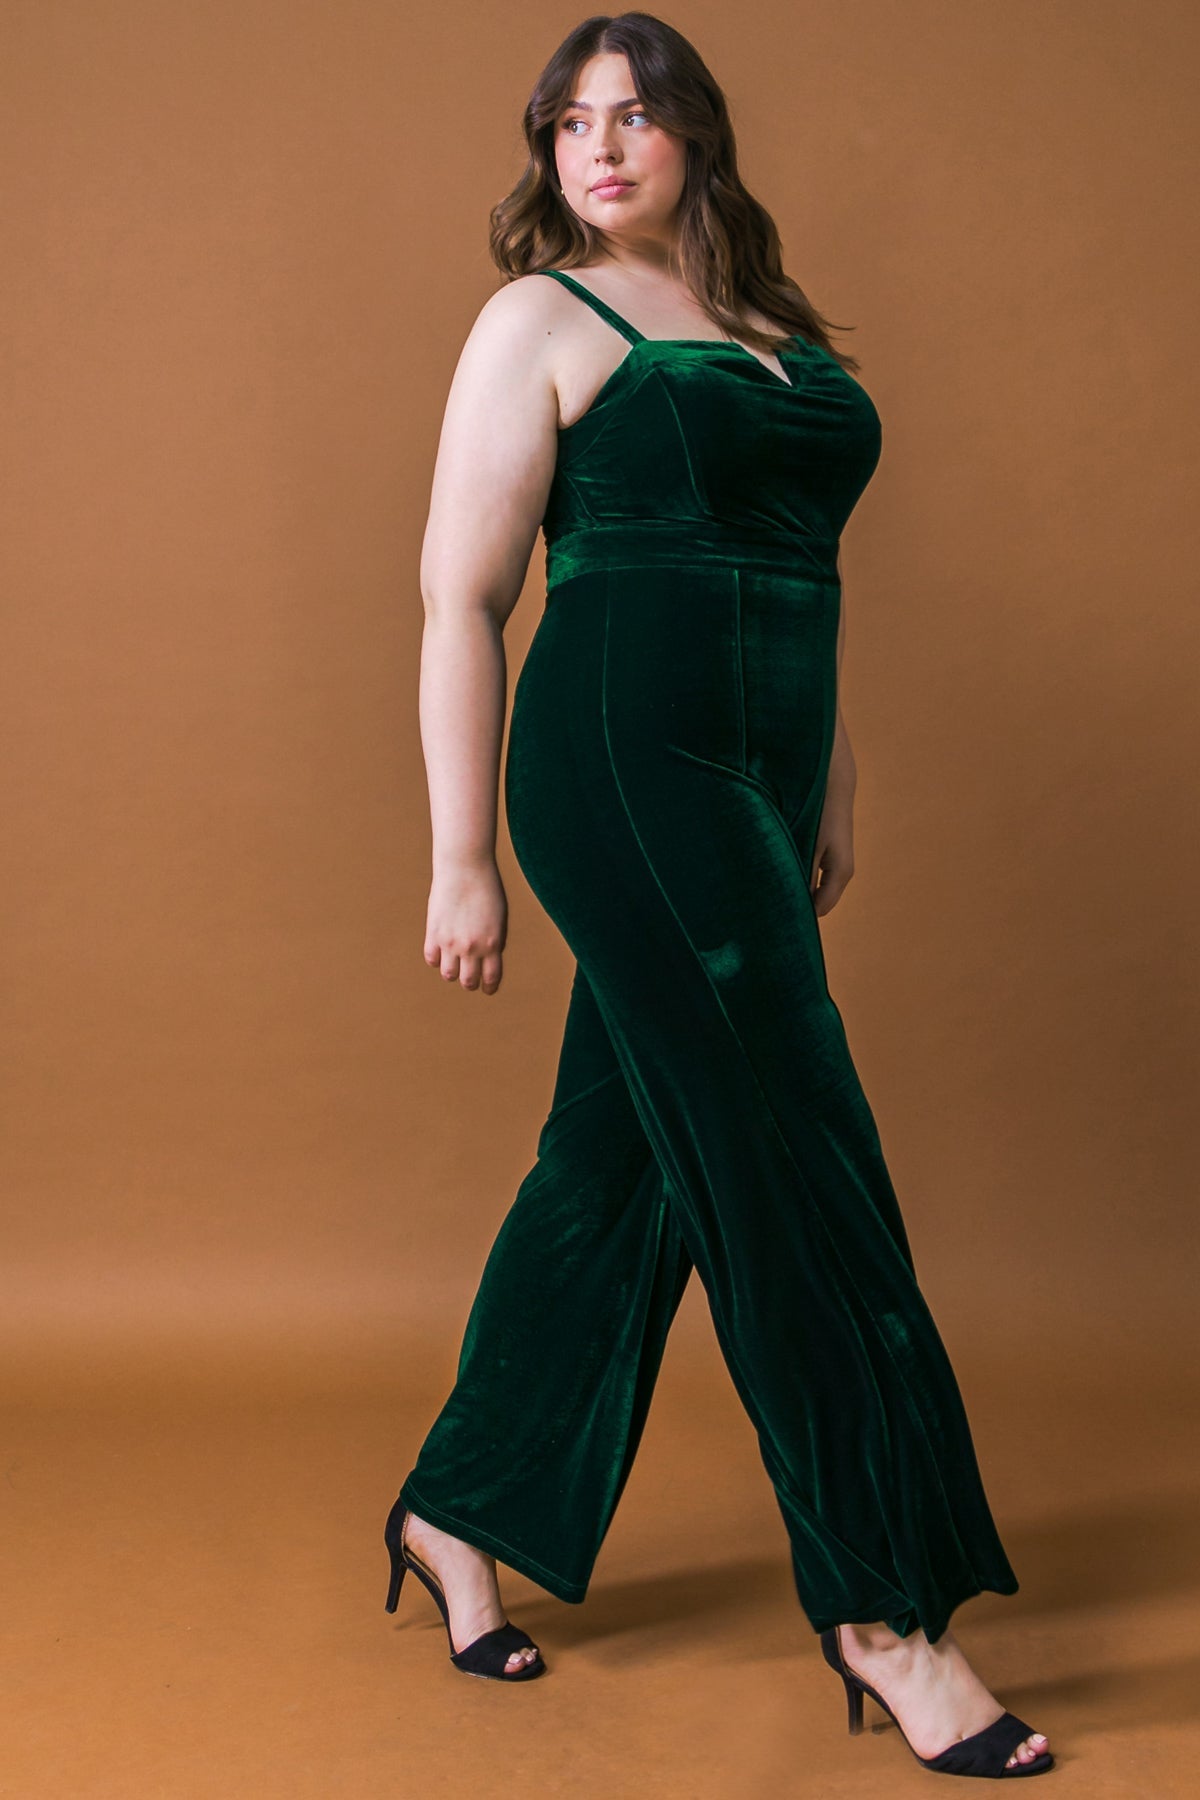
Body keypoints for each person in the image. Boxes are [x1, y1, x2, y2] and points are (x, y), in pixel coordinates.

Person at [383, 12, 1054, 1780]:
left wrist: (832, 772)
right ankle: (882, 1612)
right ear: (549, 151)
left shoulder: (769, 331)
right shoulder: (541, 320)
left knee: (620, 1168)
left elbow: (799, 568)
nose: (600, 148)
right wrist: (462, 855)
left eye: (634, 115)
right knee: (789, 1157)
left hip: (760, 775)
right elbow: (462, 598)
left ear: (695, 136)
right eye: (570, 122)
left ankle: (459, 1507)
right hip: (622, 770)